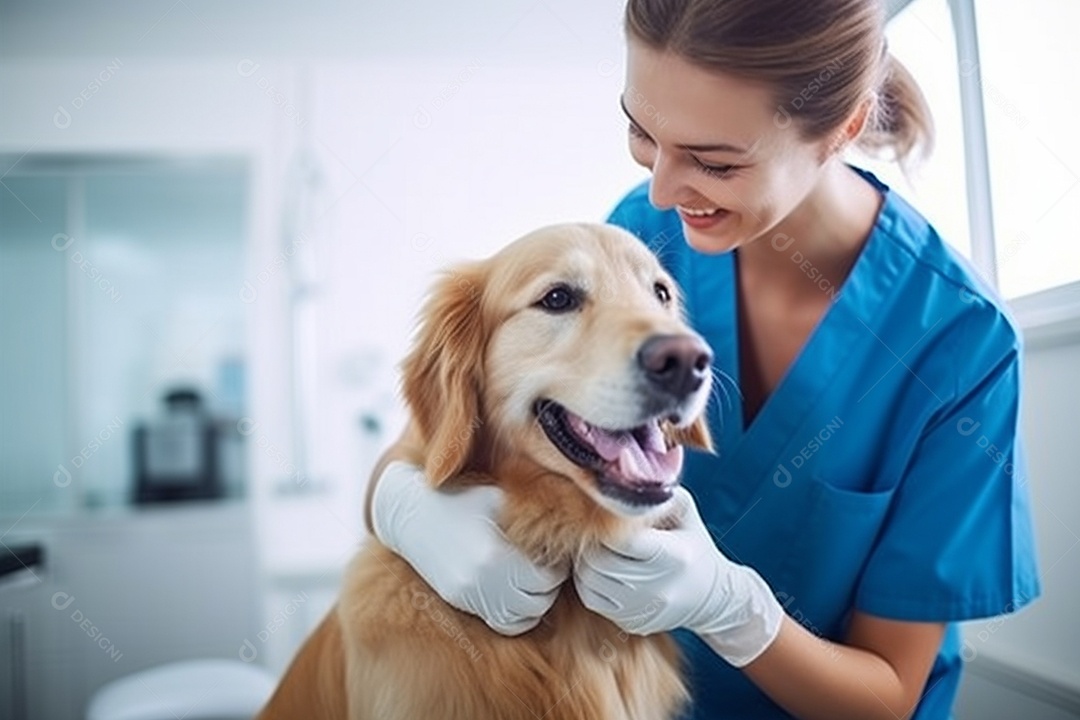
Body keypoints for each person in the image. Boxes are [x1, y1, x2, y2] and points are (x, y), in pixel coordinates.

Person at [365, 0, 1042, 717]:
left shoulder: (961, 342)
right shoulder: (648, 230)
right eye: (641, 132)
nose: (661, 187)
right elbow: (429, 446)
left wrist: (732, 608)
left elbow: (888, 696)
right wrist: (402, 507)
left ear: (841, 130)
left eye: (715, 162)